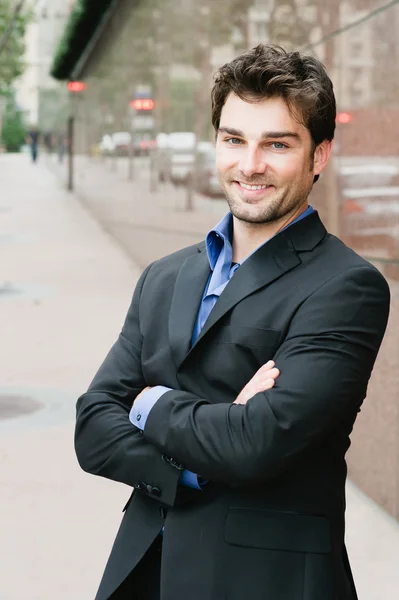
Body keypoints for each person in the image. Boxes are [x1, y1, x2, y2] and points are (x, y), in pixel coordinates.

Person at [75, 45, 390, 600]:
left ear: (319, 156)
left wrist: (148, 403)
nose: (250, 164)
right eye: (234, 139)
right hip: (143, 570)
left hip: (266, 583)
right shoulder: (164, 277)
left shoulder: (347, 287)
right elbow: (94, 428)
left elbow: (255, 443)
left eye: (277, 144)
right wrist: (207, 444)